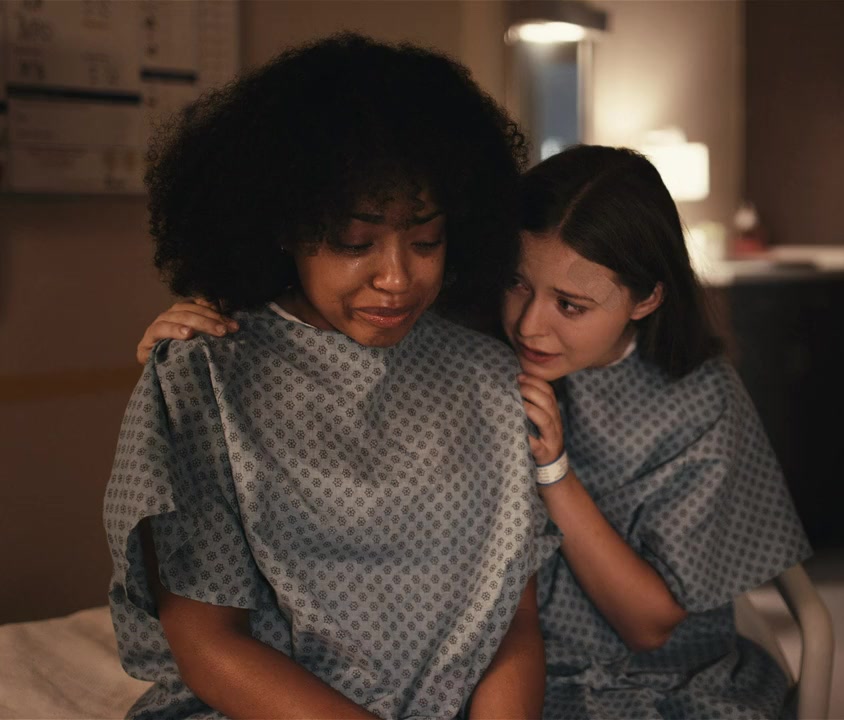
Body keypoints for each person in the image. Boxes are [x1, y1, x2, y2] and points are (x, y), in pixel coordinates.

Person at [137, 146, 812, 718]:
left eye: (572, 305)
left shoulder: (698, 397)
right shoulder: (469, 339)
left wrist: (554, 475)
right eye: (517, 284)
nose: (531, 326)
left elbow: (652, 626)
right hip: (477, 672)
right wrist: (198, 337)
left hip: (650, 680)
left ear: (648, 297)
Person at [104, 33, 557, 719]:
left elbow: (512, 622)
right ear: (285, 226)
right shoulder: (206, 379)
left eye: (426, 240)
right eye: (355, 242)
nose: (397, 277)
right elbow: (209, 646)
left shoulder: (488, 377)